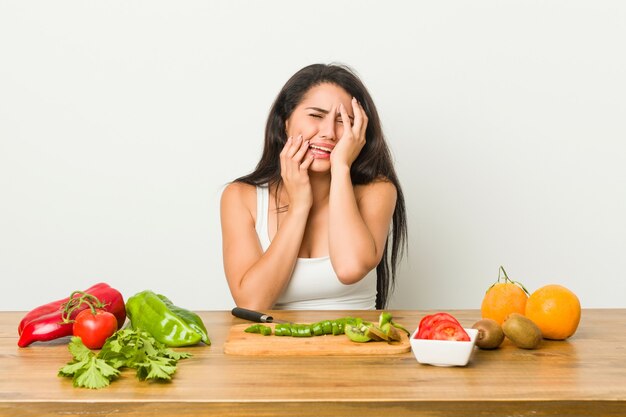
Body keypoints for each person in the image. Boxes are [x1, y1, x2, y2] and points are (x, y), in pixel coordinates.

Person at [220, 63, 407, 310]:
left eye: (344, 121)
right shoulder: (240, 197)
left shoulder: (377, 191)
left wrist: (341, 167)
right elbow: (252, 303)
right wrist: (299, 207)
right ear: (285, 121)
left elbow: (350, 268)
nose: (329, 132)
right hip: (273, 347)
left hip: (358, 347)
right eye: (316, 116)